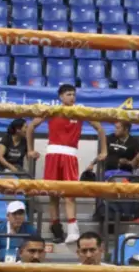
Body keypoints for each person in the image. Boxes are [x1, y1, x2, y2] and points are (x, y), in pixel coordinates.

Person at [26, 84, 107, 243]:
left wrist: (104, 151)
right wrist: (30, 149)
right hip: (53, 155)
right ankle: (56, 229)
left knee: (70, 194)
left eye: (73, 94)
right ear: (61, 97)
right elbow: (30, 127)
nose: (72, 97)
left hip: (70, 156)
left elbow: (101, 129)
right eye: (69, 94)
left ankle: (73, 229)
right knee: (53, 195)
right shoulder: (52, 110)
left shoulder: (81, 111)